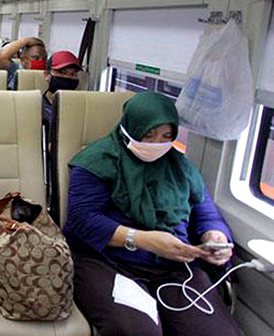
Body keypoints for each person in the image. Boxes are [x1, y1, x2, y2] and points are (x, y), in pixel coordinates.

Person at [63, 92, 241, 336]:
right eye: (149, 135)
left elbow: (206, 213)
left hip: (173, 264)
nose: (157, 143)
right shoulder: (97, 162)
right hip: (107, 262)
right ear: (131, 128)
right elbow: (82, 219)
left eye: (166, 136)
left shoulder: (181, 168)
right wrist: (143, 240)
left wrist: (215, 236)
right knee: (138, 330)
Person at [42, 50, 83, 132]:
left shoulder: (82, 109)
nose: (67, 77)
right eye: (61, 72)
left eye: (73, 74)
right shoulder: (36, 107)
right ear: (46, 75)